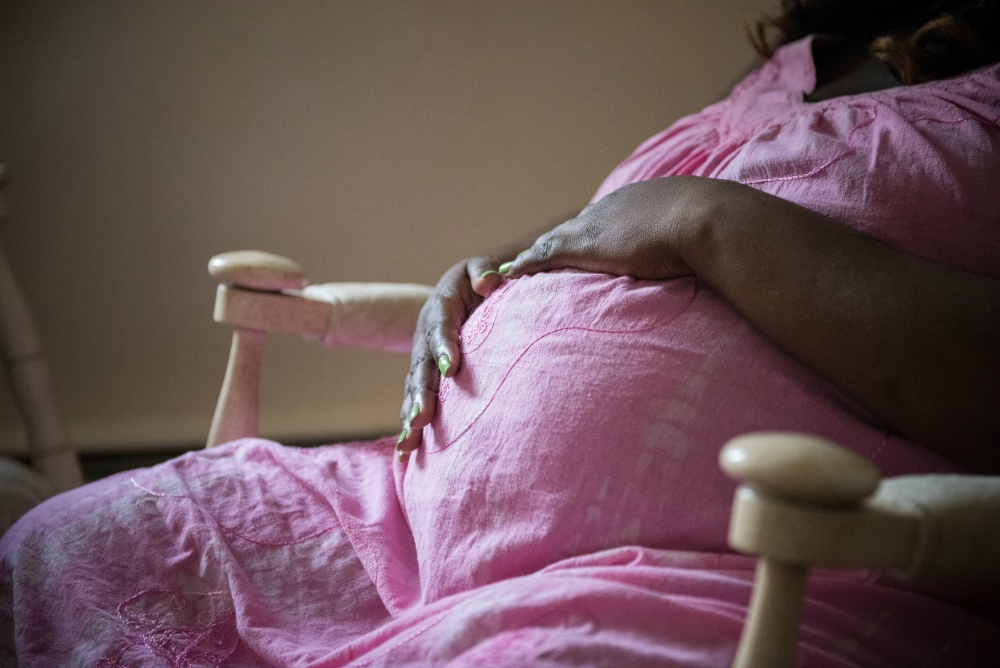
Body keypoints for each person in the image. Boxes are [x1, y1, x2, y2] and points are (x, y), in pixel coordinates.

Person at [3, 1, 999, 665]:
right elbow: (622, 222)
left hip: (735, 574)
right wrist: (484, 272)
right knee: (69, 546)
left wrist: (714, 223)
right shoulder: (793, 66)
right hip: (399, 518)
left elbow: (696, 217)